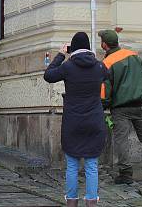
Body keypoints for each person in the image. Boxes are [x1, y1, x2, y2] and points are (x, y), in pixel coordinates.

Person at [44, 32, 108, 207]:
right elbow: (108, 76)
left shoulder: (67, 67)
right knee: (92, 165)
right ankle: (91, 202)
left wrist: (60, 55)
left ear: (73, 48)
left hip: (72, 122)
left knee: (72, 164)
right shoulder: (100, 67)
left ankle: (72, 202)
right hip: (94, 121)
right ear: (88, 47)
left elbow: (48, 75)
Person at [98, 29, 142, 184]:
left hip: (120, 108)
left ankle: (125, 174)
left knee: (122, 140)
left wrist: (104, 106)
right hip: (139, 105)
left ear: (104, 44)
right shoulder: (133, 55)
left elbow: (105, 89)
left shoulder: (107, 63)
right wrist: (141, 94)